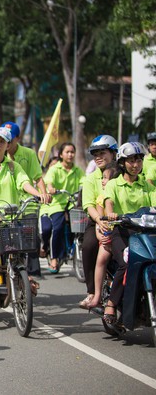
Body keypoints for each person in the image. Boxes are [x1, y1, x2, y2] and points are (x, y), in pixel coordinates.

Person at [0, 127, 51, 308]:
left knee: (19, 249)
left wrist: (38, 194)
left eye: (2, 142)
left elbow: (25, 183)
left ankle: (23, 278)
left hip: (8, 218)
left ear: (8, 145)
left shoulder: (13, 166)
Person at [100, 142, 156, 325]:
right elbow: (108, 203)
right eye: (132, 161)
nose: (136, 164)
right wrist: (111, 214)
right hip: (121, 231)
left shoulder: (146, 186)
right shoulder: (114, 184)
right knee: (126, 263)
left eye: (139, 160)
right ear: (123, 163)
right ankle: (111, 303)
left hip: (145, 232)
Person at [1, 121, 48, 282]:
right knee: (6, 238)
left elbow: (37, 177)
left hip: (28, 200)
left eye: (10, 139)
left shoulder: (28, 154)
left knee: (30, 236)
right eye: (3, 139)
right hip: (5, 202)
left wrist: (43, 194)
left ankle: (33, 272)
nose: (7, 143)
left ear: (18, 139)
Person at [80, 134, 118, 308]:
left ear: (114, 153)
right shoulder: (90, 179)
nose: (98, 157)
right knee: (88, 246)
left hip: (121, 220)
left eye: (102, 153)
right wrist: (99, 221)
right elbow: (89, 204)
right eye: (95, 154)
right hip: (96, 219)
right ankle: (92, 292)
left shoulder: (121, 174)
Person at [40, 142, 85, 273]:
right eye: (67, 152)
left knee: (80, 227)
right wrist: (51, 188)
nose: (70, 155)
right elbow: (49, 181)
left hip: (73, 204)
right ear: (61, 154)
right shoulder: (55, 169)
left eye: (72, 152)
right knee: (57, 228)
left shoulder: (78, 171)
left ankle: (74, 249)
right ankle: (54, 257)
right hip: (57, 204)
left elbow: (84, 182)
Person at [87, 162, 121, 309]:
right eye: (103, 177)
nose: (103, 181)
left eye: (106, 178)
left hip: (125, 234)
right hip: (108, 235)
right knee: (101, 261)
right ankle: (97, 294)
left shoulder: (121, 192)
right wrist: (104, 233)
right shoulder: (102, 198)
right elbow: (101, 220)